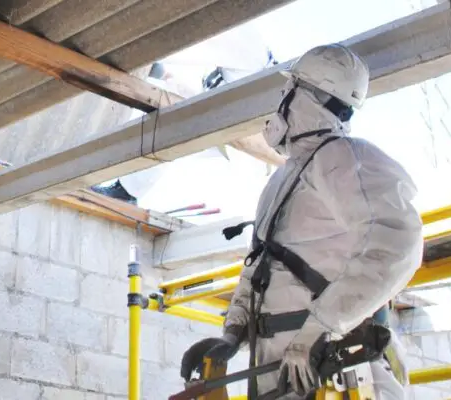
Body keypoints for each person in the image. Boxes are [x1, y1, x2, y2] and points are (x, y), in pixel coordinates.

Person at [180, 43, 424, 399]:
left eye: (286, 90)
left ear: (303, 97)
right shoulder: (285, 177)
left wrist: (320, 328)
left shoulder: (344, 159)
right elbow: (260, 264)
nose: (281, 101)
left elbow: (397, 246)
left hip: (330, 367)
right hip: (282, 366)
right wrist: (231, 334)